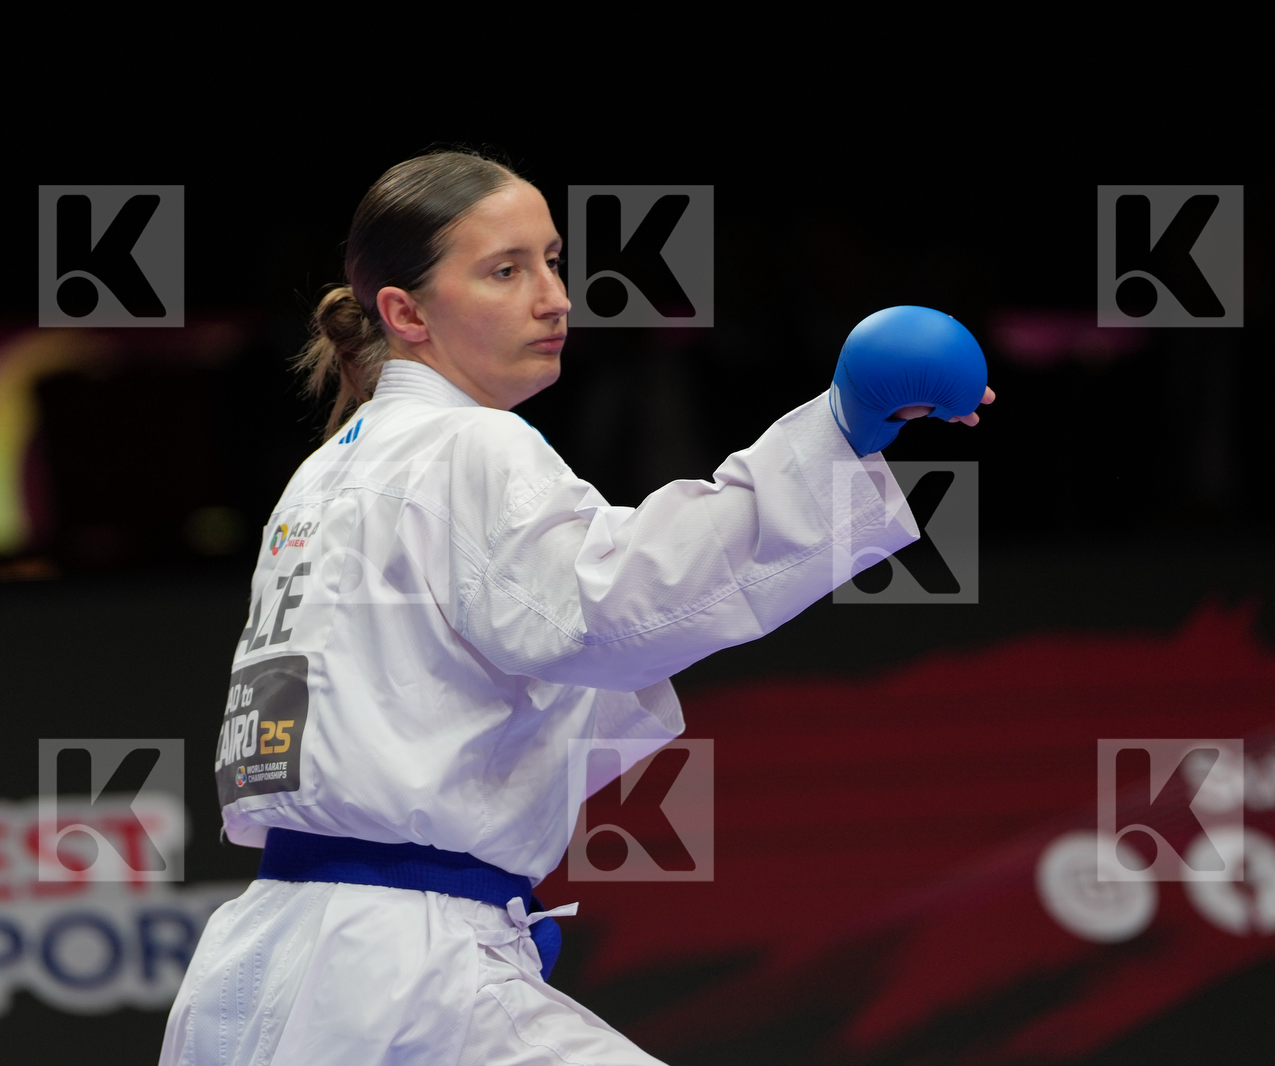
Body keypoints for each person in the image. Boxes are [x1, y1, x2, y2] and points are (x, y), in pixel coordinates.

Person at [159, 149, 994, 1066]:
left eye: (551, 259)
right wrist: (837, 433)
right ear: (406, 314)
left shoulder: (327, 473)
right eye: (505, 271)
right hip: (401, 980)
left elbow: (467, 688)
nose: (554, 296)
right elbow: (610, 612)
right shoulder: (467, 445)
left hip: (267, 970)